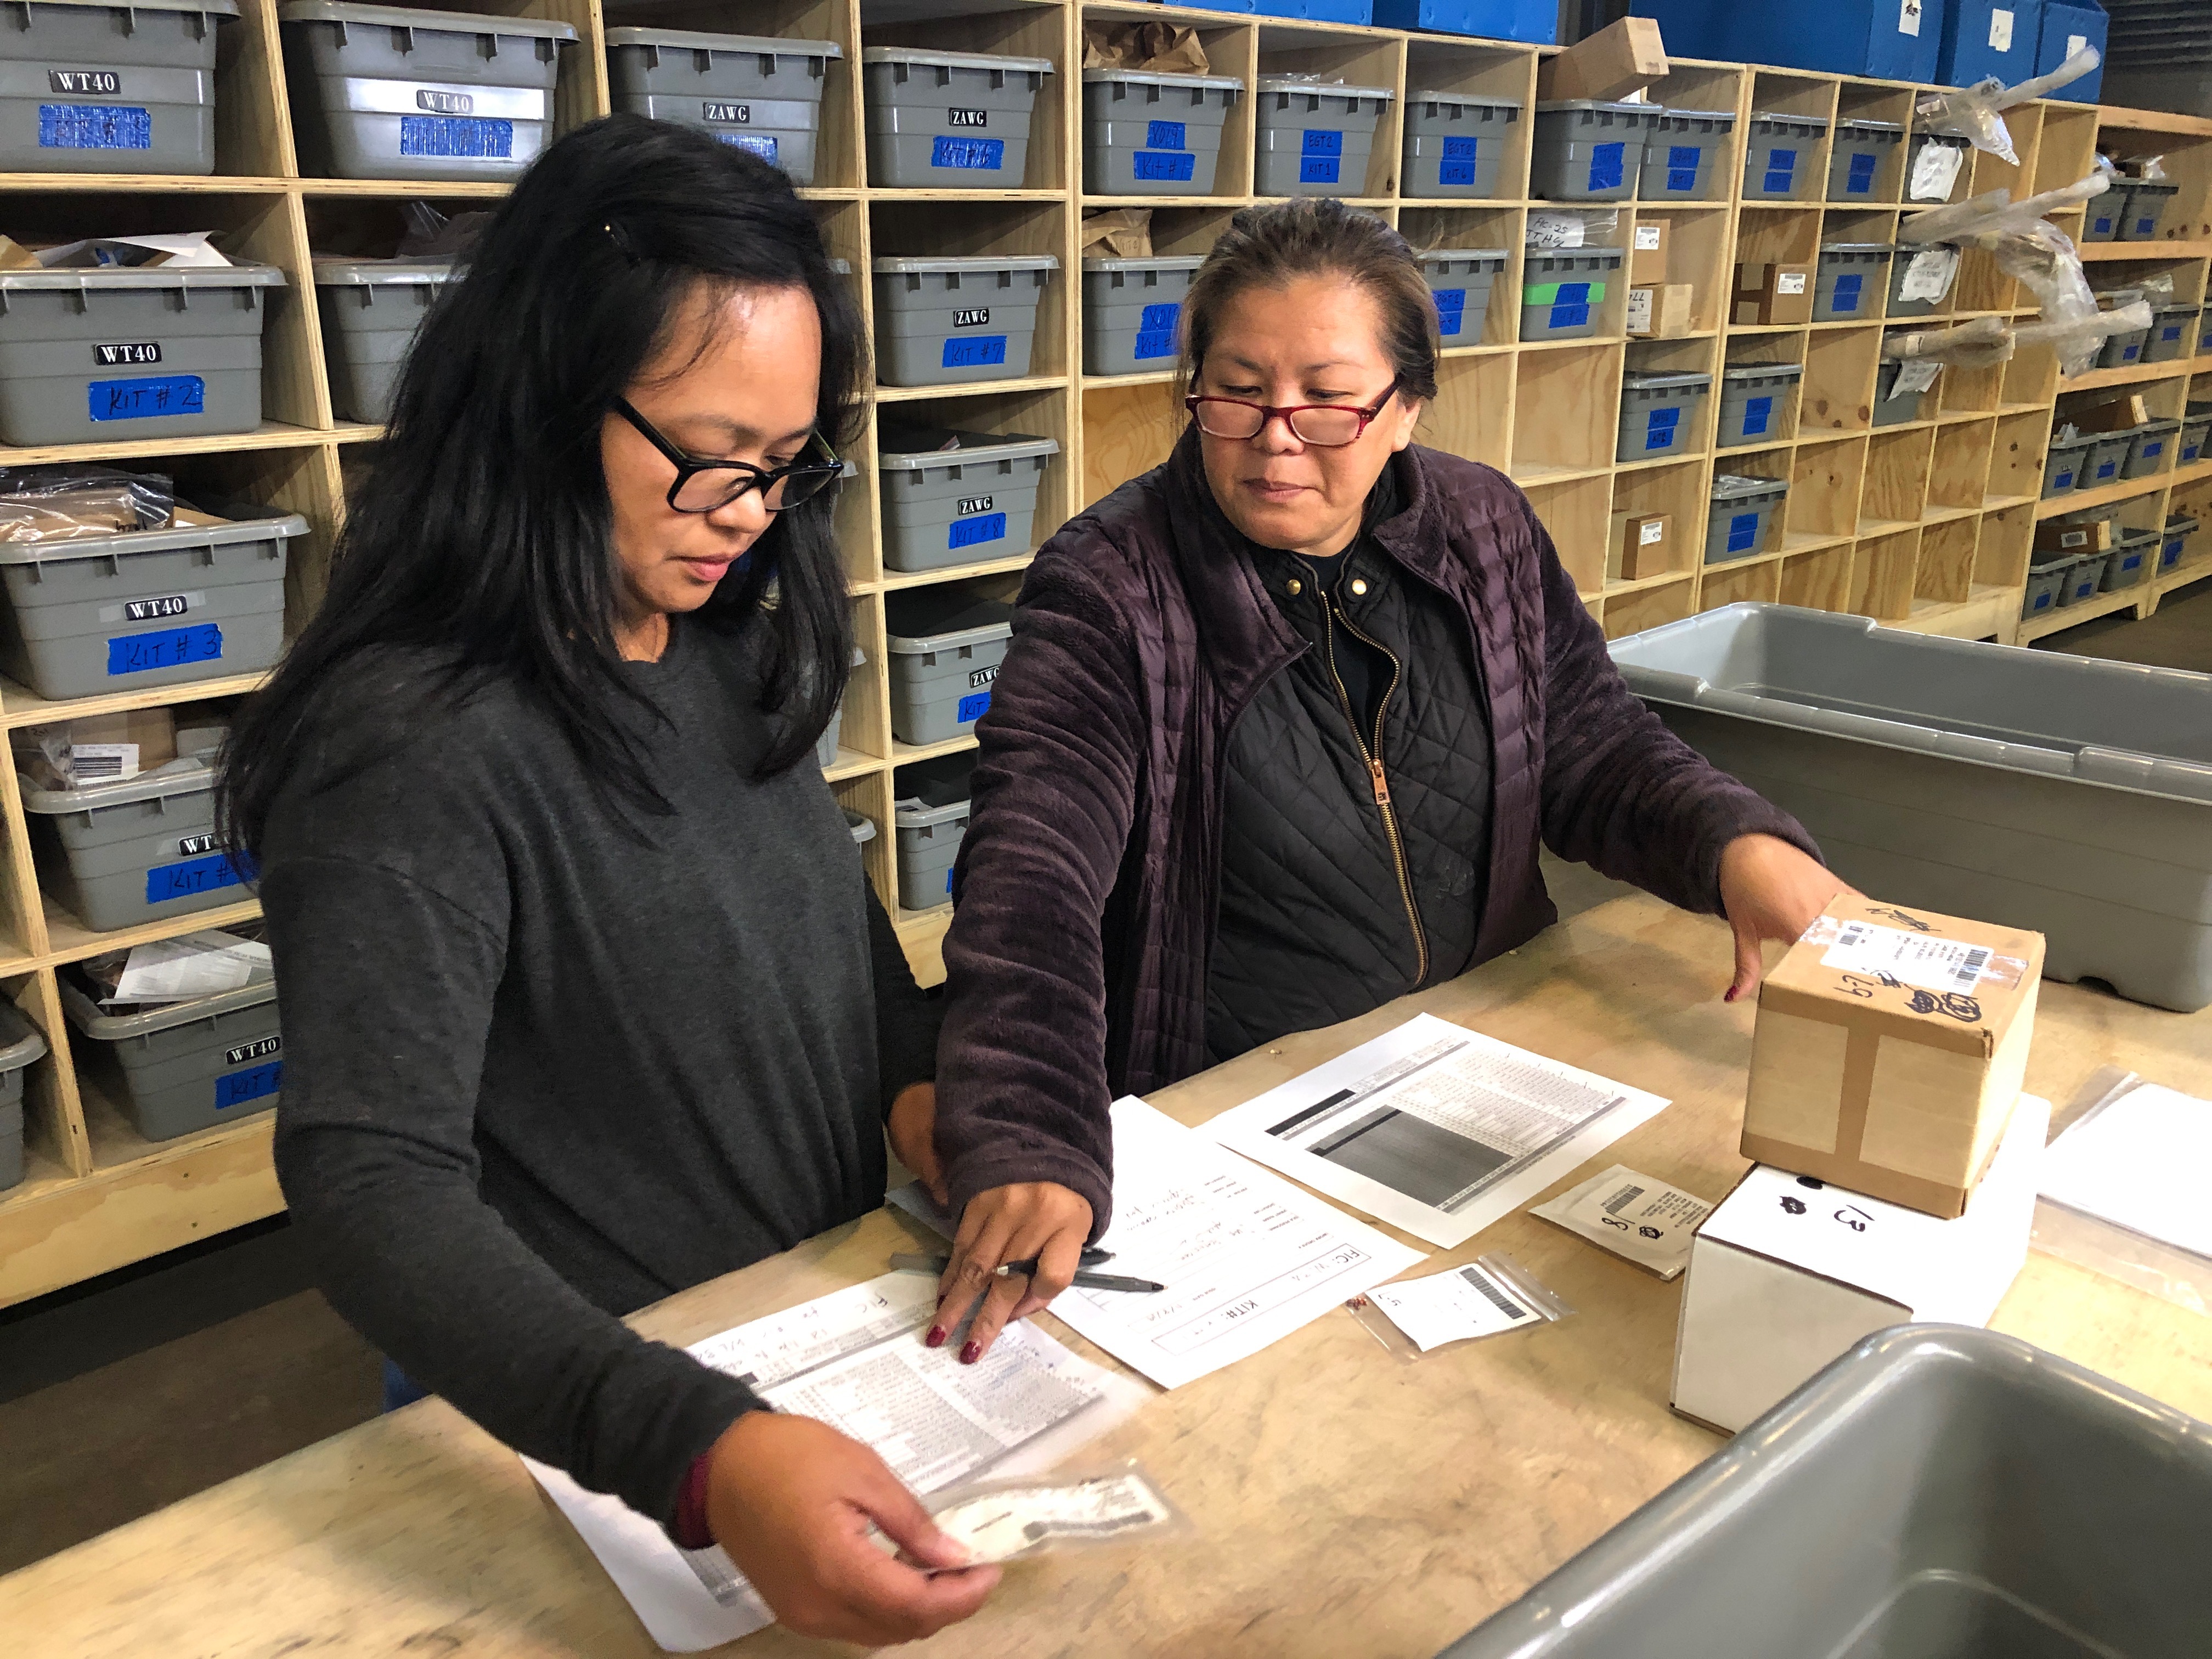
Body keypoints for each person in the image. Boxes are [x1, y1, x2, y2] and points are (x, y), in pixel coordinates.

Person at [219, 116, 996, 1645]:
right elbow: (372, 1186)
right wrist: (696, 1453)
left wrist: (933, 1105)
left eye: (787, 465)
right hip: (607, 1422)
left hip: (800, 1336)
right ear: (544, 403)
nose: (752, 511)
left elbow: (844, 957)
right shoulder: (416, 746)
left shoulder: (721, 639)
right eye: (711, 457)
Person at [926, 199, 1846, 1359]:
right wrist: (1029, 1132)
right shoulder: (1117, 587)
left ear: (1405, 407)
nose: (1274, 438)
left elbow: (1591, 744)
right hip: (1243, 1110)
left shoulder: (1483, 528)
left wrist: (1737, 846)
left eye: (1326, 398)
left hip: (1486, 1054)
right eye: (1238, 390)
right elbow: (1033, 874)